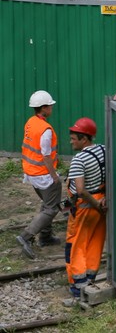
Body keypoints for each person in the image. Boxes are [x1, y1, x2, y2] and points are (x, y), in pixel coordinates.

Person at [65, 117, 106, 304]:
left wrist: (94, 204)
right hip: (102, 203)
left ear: (84, 139)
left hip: (84, 207)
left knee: (76, 244)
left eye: (74, 138)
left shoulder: (79, 159)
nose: (71, 141)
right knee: (95, 241)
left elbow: (80, 190)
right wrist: (102, 202)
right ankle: (90, 278)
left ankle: (78, 285)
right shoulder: (104, 150)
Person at [17, 90, 62, 259]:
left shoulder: (31, 122)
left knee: (46, 203)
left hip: (31, 172)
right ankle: (25, 237)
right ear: (44, 108)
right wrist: (54, 177)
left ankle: (46, 236)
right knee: (51, 208)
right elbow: (45, 155)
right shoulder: (46, 129)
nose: (51, 108)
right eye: (50, 106)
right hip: (43, 174)